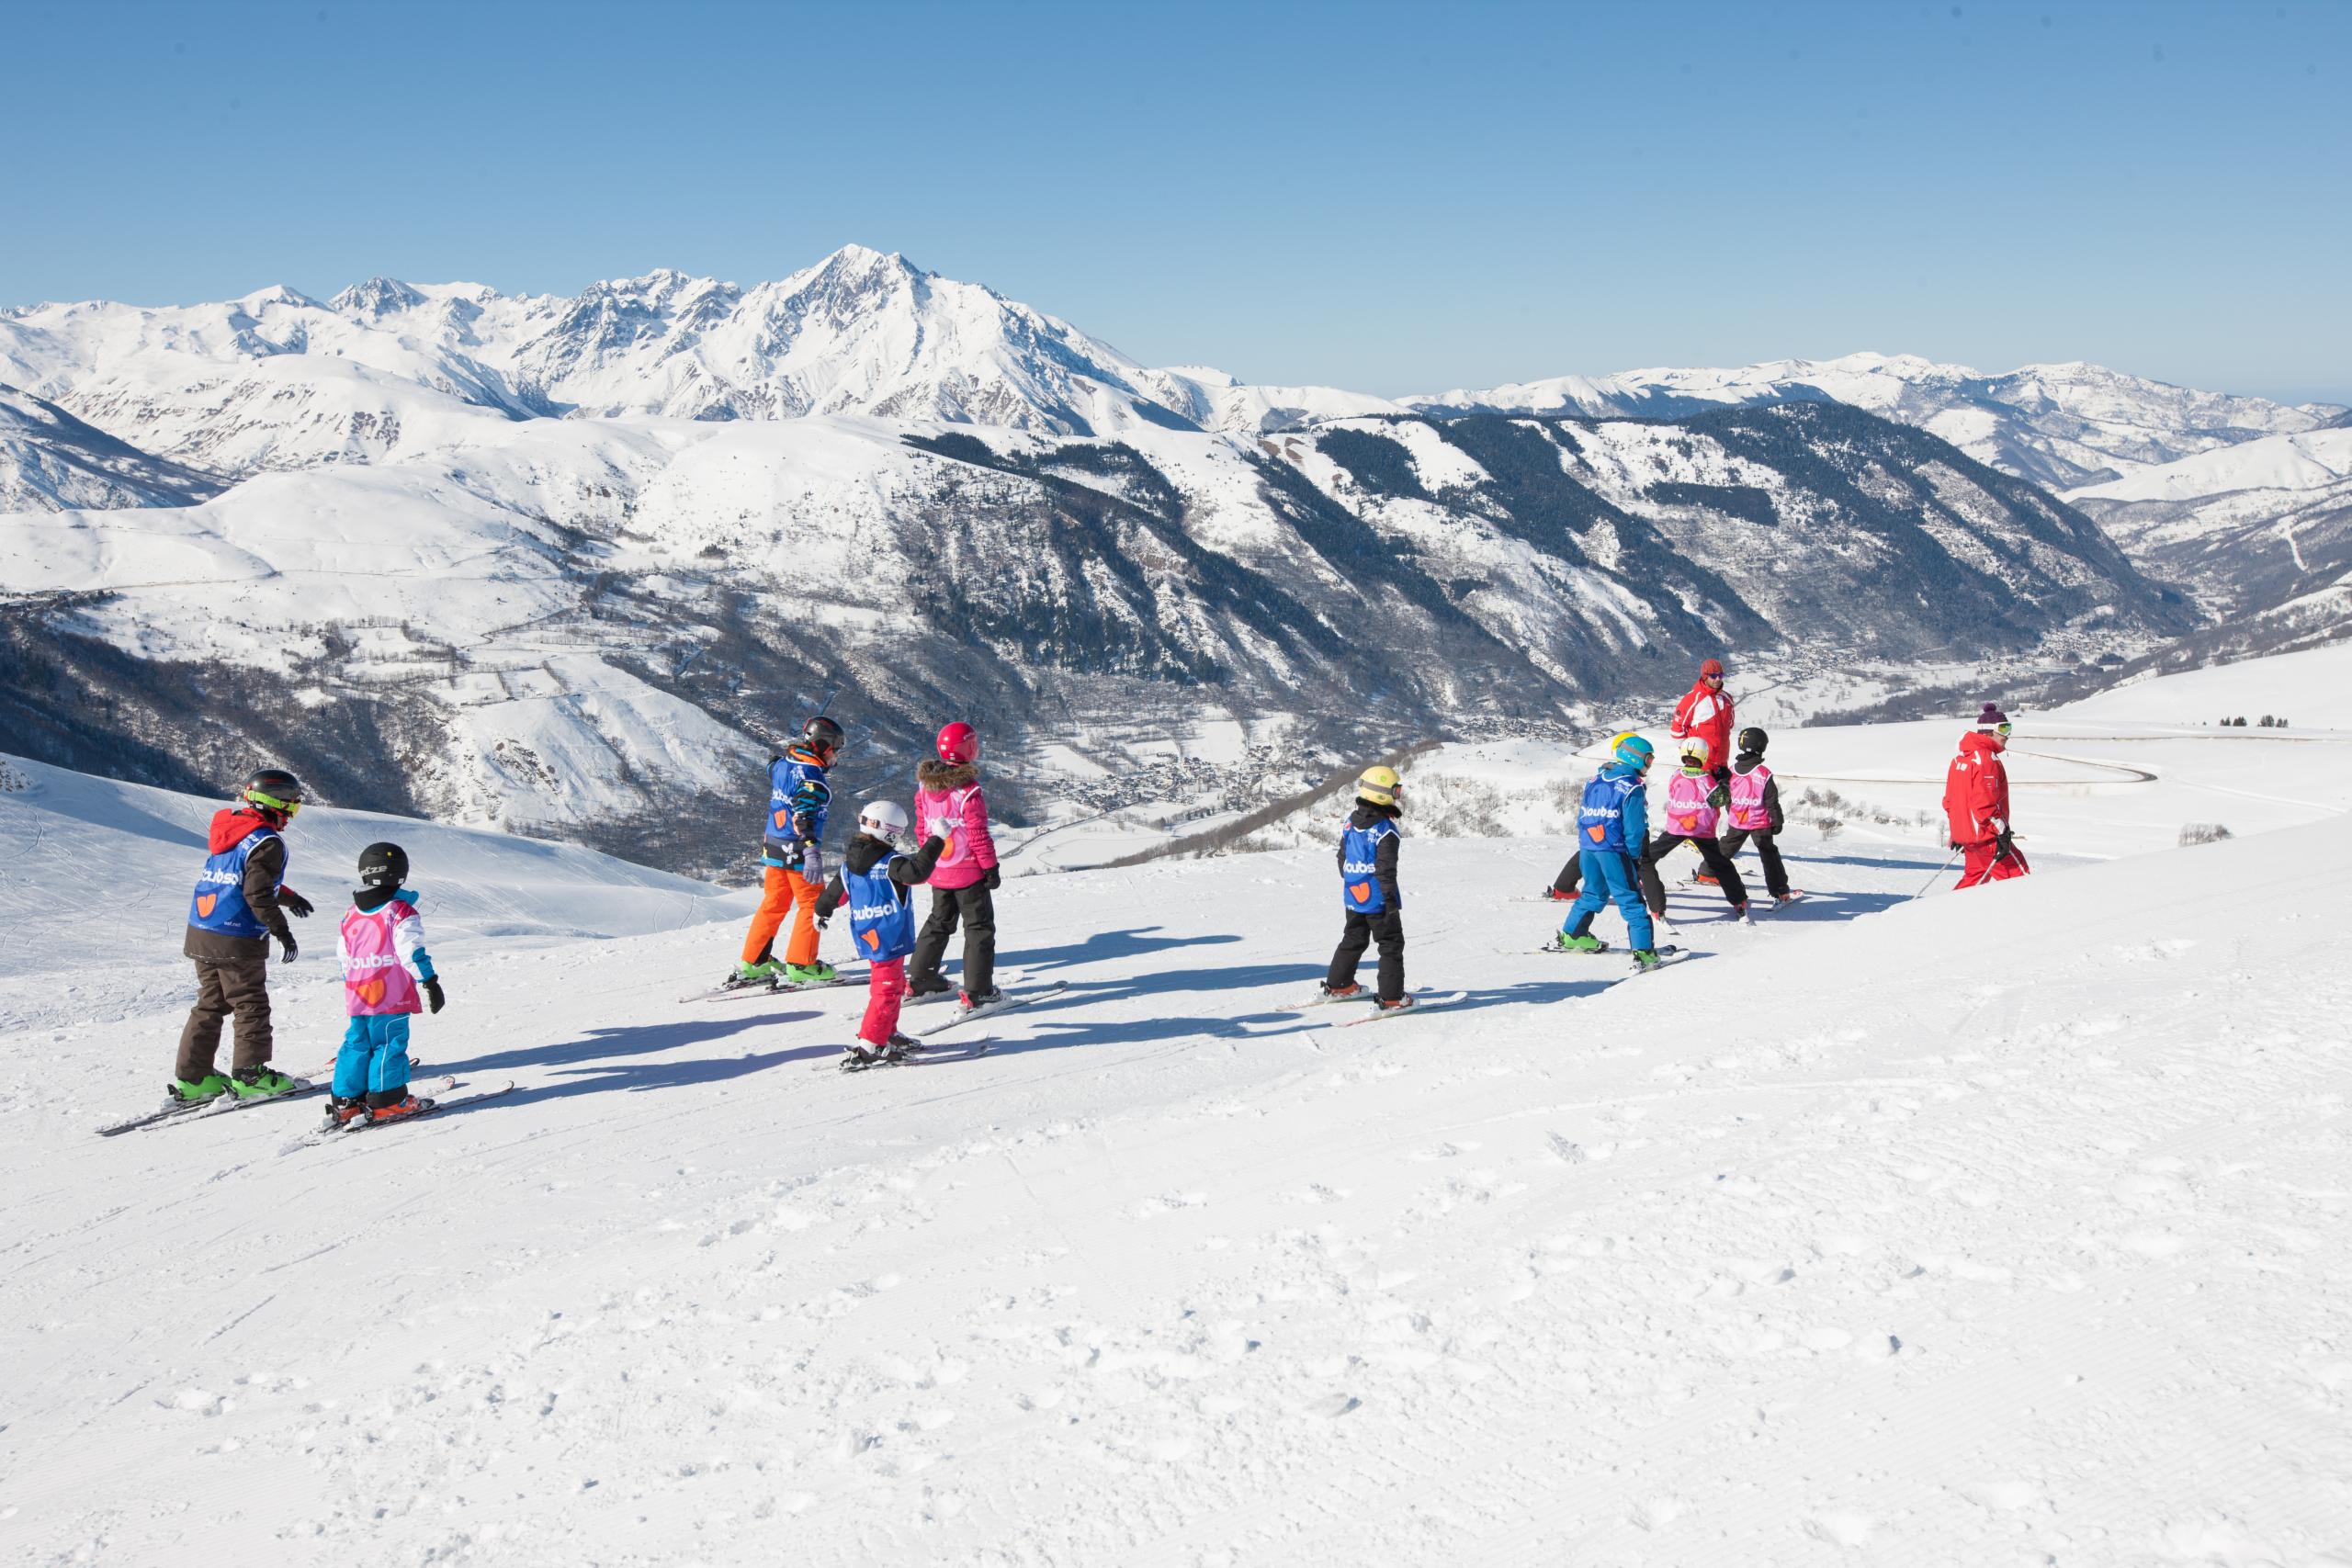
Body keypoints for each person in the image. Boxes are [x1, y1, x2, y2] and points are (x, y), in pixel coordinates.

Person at [173, 768, 315, 1104]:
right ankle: (250, 1076)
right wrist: (282, 930)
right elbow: (257, 894)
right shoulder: (267, 841)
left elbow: (238, 877)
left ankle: (194, 1079)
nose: (292, 814)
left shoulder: (233, 831)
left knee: (210, 1004)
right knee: (250, 1004)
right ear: (273, 803)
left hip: (202, 930)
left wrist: (289, 896)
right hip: (236, 935)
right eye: (291, 806)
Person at [814, 802, 947, 1066]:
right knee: (886, 990)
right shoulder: (890, 863)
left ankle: (887, 1032)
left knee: (894, 985)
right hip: (889, 936)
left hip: (868, 934)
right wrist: (937, 839)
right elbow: (918, 872)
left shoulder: (849, 865)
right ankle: (871, 1044)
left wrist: (822, 911)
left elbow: (834, 894)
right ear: (891, 833)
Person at [328, 842, 446, 1126]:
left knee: (357, 1042)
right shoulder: (399, 911)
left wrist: (354, 983)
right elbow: (411, 952)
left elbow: (344, 956)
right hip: (390, 995)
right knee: (389, 1042)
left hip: (359, 993)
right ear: (400, 875)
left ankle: (347, 1102)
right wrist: (429, 981)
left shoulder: (351, 913)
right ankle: (387, 1101)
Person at [733, 716, 844, 987]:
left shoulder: (784, 764)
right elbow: (804, 815)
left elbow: (770, 767)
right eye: (835, 750)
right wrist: (810, 850)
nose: (836, 757)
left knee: (774, 904)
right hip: (796, 850)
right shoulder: (812, 777)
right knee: (811, 905)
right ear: (822, 745)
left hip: (773, 845)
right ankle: (802, 964)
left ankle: (754, 962)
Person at [907, 721, 1004, 1012]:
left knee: (939, 923)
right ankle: (979, 991)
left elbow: (922, 829)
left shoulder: (925, 787)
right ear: (970, 748)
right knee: (978, 929)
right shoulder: (968, 791)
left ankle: (921, 978)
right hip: (969, 874)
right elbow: (977, 833)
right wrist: (990, 867)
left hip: (939, 870)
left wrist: (930, 860)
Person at [1551, 736, 1668, 967]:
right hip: (1614, 849)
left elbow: (1585, 813)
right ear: (1635, 757)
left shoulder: (1596, 779)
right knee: (1631, 899)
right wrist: (1634, 855)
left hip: (1589, 847)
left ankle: (1573, 935)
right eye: (1649, 759)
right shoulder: (1632, 787)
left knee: (1593, 893)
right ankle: (1644, 952)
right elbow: (1634, 829)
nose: (1650, 764)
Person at [1322, 765, 1410, 1010]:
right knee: (1390, 944)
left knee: (1354, 938)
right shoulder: (1385, 830)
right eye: (1396, 790)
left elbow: (1342, 858)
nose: (1397, 795)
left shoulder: (1351, 822)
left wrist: (1353, 880)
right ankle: (1392, 998)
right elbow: (1386, 870)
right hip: (1378, 898)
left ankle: (1339, 984)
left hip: (1354, 894)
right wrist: (1390, 900)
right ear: (1383, 793)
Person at [1640, 739, 1747, 919]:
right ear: (1703, 756)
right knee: (1720, 864)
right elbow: (1719, 800)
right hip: (1702, 829)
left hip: (1677, 827)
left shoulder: (1676, 774)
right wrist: (1724, 782)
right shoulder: (1707, 779)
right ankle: (1738, 899)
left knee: (1648, 857)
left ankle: (1645, 893)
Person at [1544, 730, 1638, 900]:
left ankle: (1564, 887)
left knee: (1592, 849)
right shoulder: (1626, 778)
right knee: (1627, 849)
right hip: (1614, 825)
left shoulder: (1605, 773)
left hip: (1594, 823)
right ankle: (1629, 884)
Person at [1944, 704, 2030, 887]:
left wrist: (1959, 833)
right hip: (1988, 837)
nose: (2007, 735)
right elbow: (1983, 805)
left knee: (1974, 881)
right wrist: (2002, 832)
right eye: (2003, 729)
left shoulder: (1961, 758)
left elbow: (1951, 801)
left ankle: (1949, 913)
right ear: (1988, 732)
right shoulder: (1986, 760)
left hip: (1971, 837)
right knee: (2020, 879)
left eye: (2009, 728)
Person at [1716, 727, 1797, 905]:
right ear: (1762, 747)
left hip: (1738, 820)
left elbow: (1728, 797)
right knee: (1769, 855)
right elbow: (1771, 801)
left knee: (1726, 847)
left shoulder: (1732, 771)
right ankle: (1779, 891)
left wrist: (1733, 813)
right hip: (1760, 823)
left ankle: (1708, 872)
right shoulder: (1763, 774)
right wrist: (1777, 822)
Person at [1669, 657, 1735, 770]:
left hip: (1722, 762)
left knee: (1724, 788)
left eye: (1720, 675)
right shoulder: (1692, 699)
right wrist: (1690, 755)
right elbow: (1677, 730)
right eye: (1713, 676)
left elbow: (1730, 725)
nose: (1718, 679)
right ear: (1705, 676)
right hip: (1700, 764)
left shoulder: (1727, 699)